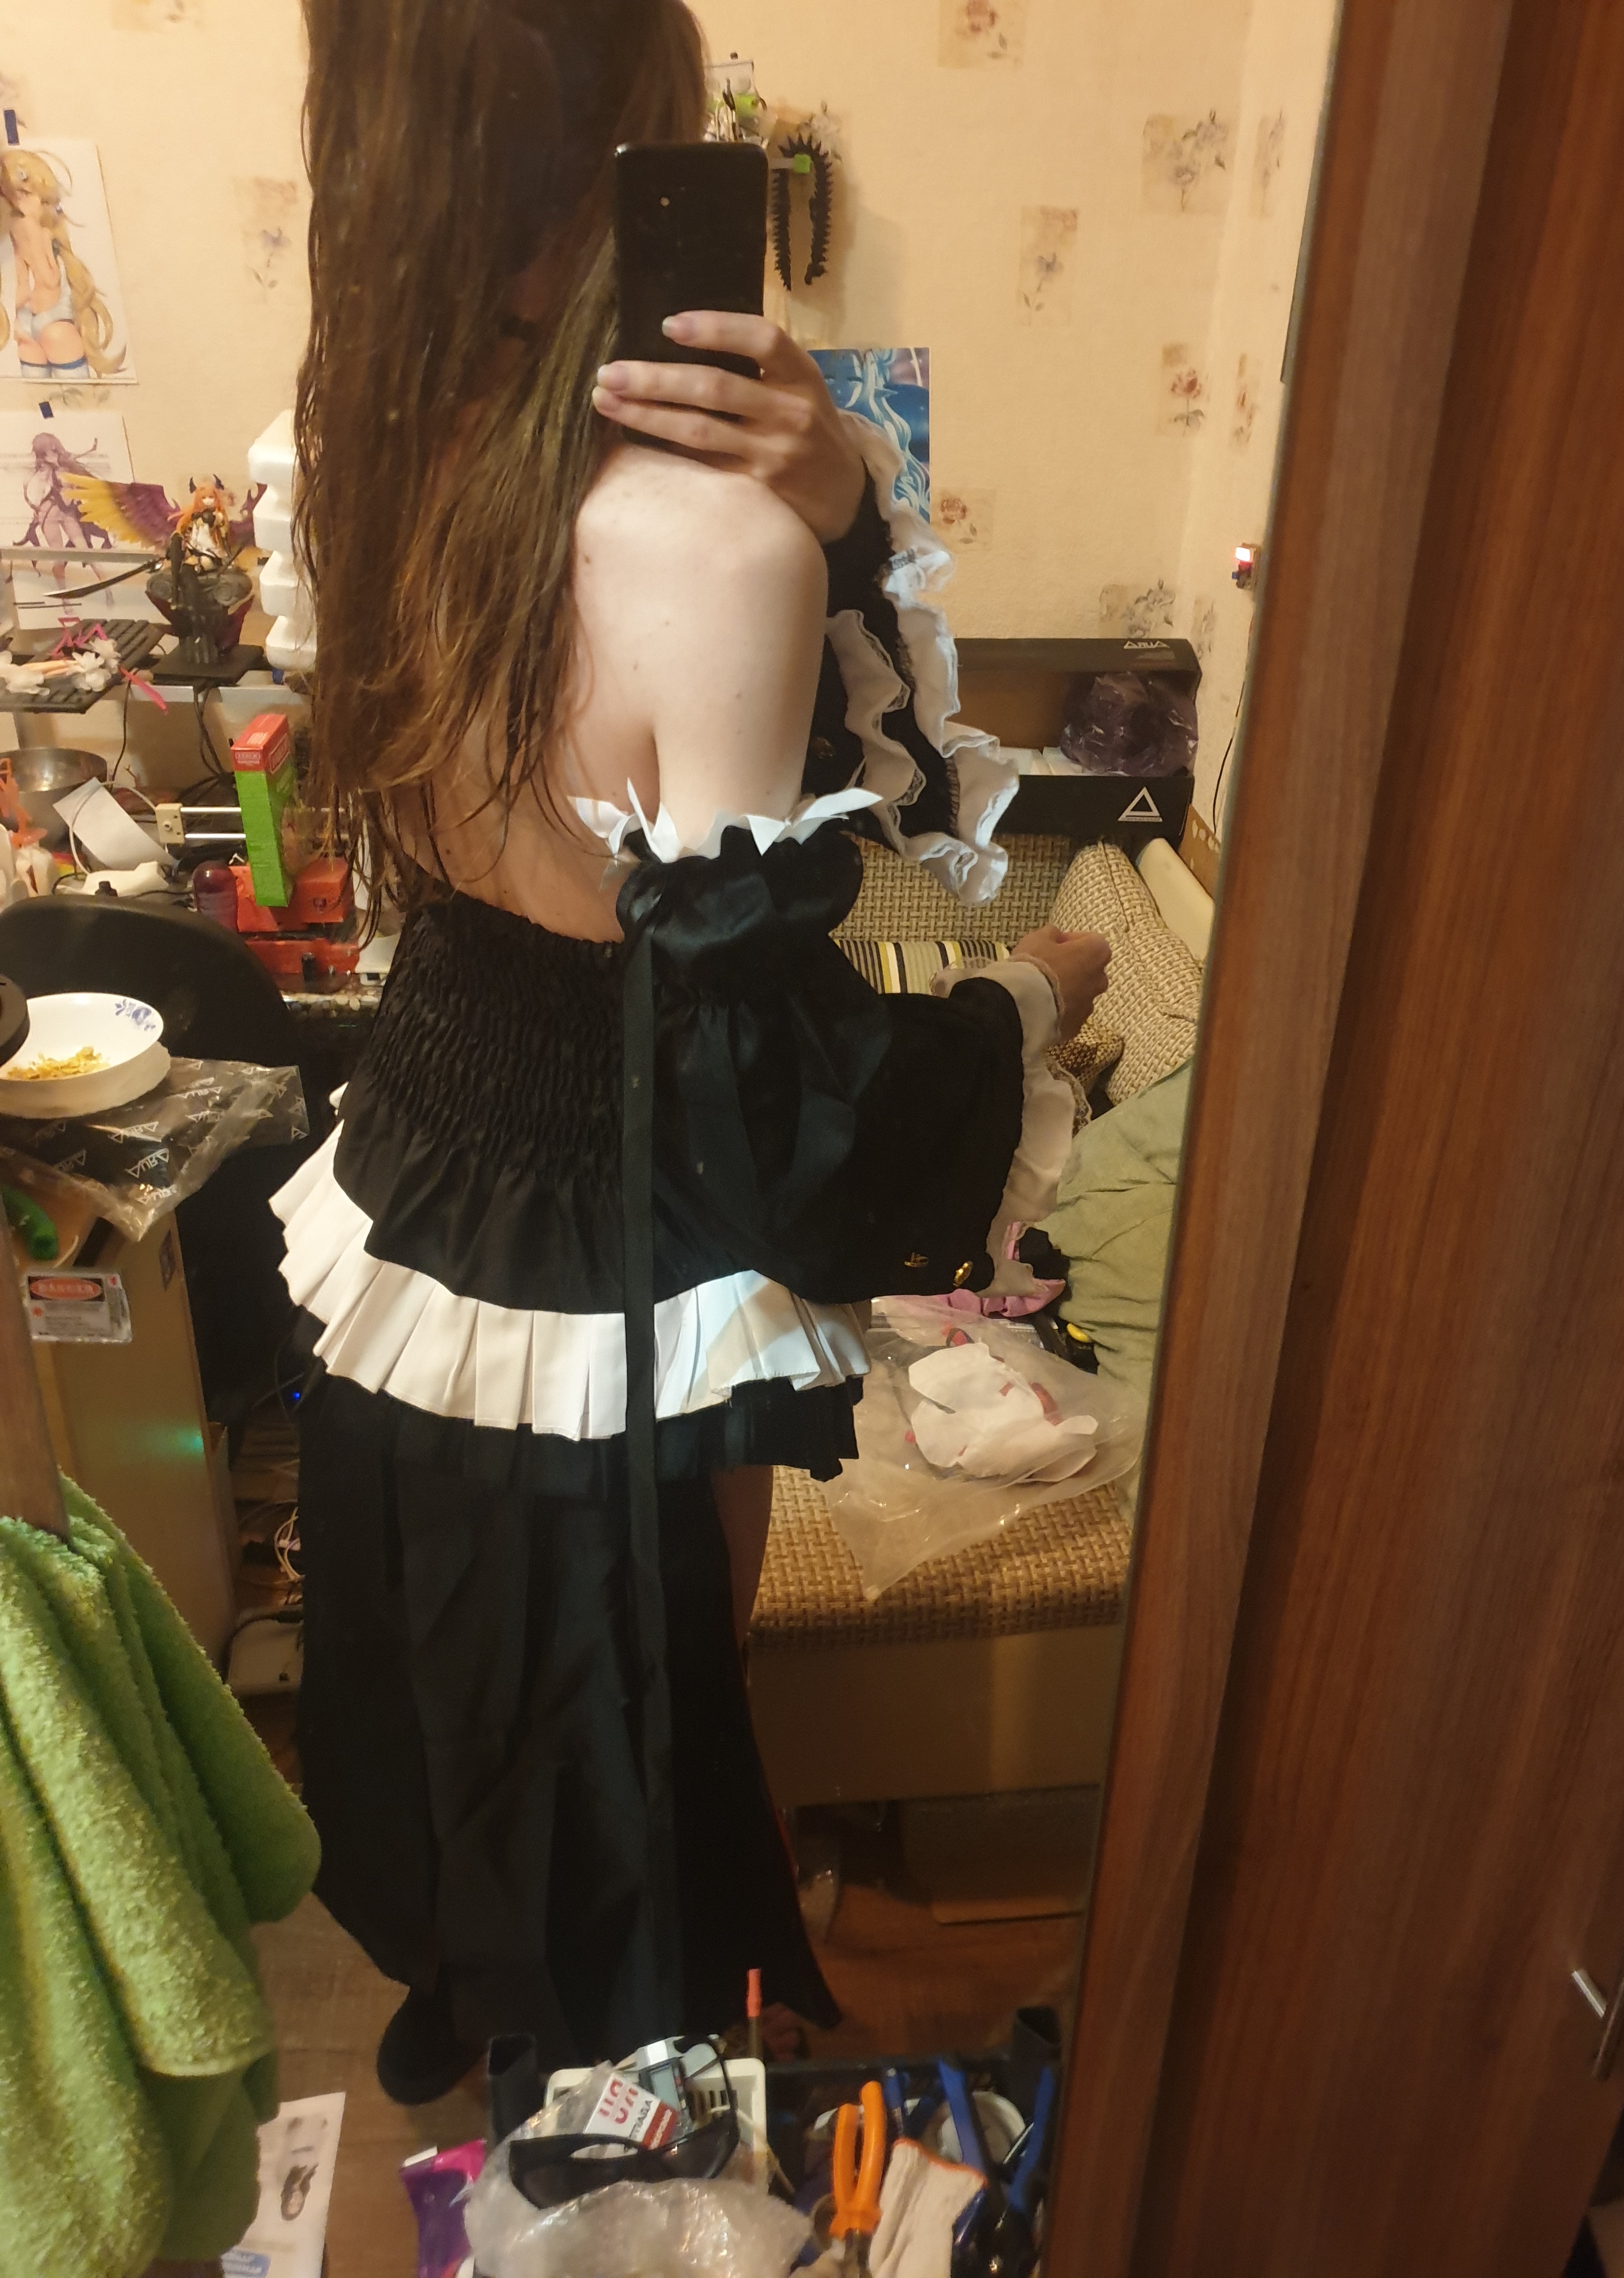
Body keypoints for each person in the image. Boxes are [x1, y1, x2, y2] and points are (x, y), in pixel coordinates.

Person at [280, 0, 1111, 2103]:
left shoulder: (357, 451)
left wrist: (844, 512)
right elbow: (767, 1118)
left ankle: (495, 2038)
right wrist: (1029, 1001)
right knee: (634, 1739)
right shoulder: (713, 549)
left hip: (414, 1167)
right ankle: (621, 2121)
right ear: (641, 163)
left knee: (448, 1682)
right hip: (620, 1234)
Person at [0, 149, 124, 380]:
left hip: (26, 319)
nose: (41, 203)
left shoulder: (15, 229)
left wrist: (20, 316)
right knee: (76, 397)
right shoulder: (38, 229)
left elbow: (22, 282)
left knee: (40, 398)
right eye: (32, 195)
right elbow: (51, 279)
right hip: (54, 318)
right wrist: (49, 246)